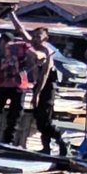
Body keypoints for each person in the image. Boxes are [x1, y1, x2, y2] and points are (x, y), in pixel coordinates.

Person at [0, 29, 36, 145]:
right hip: (19, 86)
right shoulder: (21, 50)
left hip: (3, 86)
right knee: (14, 115)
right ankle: (9, 141)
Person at [25, 25, 67, 156]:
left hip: (47, 89)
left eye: (39, 36)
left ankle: (62, 140)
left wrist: (37, 94)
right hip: (38, 87)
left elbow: (44, 75)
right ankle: (46, 147)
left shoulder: (48, 52)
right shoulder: (35, 51)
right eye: (35, 36)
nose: (36, 39)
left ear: (45, 38)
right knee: (39, 120)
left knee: (45, 121)